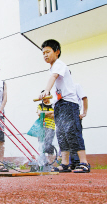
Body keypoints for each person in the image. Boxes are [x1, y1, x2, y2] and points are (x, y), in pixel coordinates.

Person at [39, 39, 90, 173]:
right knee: (61, 133)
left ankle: (84, 162)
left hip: (69, 103)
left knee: (72, 132)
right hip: (59, 105)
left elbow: (54, 77)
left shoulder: (59, 64)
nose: (45, 55)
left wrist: (46, 90)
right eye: (43, 53)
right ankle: (65, 163)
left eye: (48, 52)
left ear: (57, 52)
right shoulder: (52, 68)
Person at [69, 82, 88, 170]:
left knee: (76, 137)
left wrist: (84, 112)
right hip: (64, 117)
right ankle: (71, 162)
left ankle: (81, 162)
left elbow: (84, 98)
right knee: (67, 139)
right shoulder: (59, 89)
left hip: (74, 114)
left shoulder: (75, 86)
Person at [37, 90, 55, 164]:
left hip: (51, 127)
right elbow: (39, 113)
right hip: (41, 127)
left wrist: (45, 113)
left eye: (46, 96)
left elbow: (55, 115)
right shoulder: (40, 105)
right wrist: (51, 112)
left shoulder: (53, 105)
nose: (45, 98)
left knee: (49, 144)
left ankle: (51, 162)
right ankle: (43, 162)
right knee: (41, 144)